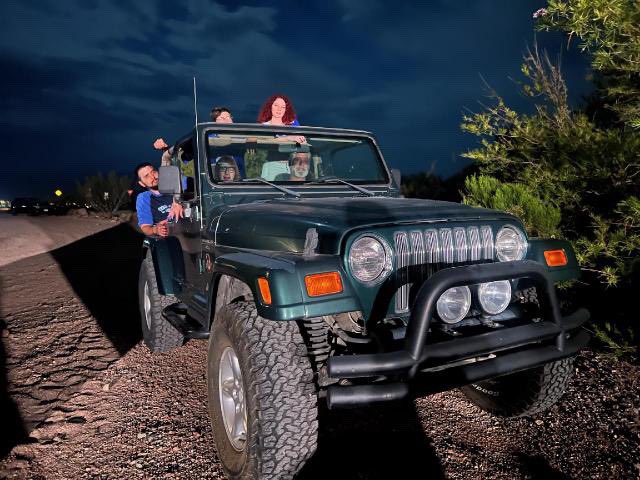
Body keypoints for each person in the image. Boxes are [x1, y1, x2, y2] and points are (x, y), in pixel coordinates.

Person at [134, 162, 177, 237]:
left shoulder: (175, 184)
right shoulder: (144, 198)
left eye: (153, 172)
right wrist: (155, 229)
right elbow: (145, 227)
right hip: (169, 237)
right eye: (146, 176)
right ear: (141, 183)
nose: (153, 177)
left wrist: (177, 202)